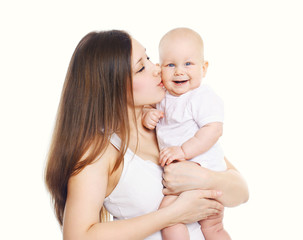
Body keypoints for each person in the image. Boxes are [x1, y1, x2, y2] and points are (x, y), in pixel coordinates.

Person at [45, 30, 249, 240]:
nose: (156, 69)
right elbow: (77, 236)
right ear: (112, 86)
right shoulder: (100, 152)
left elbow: (241, 192)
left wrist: (206, 178)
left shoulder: (169, 118)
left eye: (149, 58)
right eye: (141, 67)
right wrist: (172, 214)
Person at [142, 28, 232, 240]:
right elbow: (146, 106)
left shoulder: (202, 97)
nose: (179, 71)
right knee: (171, 219)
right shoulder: (162, 95)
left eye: (188, 64)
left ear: (204, 68)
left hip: (203, 169)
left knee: (210, 227)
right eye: (170, 65)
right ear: (159, 68)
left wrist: (183, 150)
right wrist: (147, 114)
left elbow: (214, 129)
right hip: (180, 176)